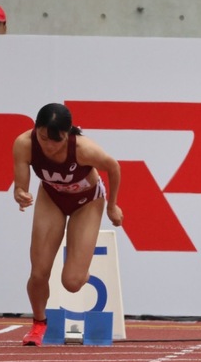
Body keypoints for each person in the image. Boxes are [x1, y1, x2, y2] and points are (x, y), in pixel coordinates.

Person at [13, 103, 123, 346]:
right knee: (38, 272)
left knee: (72, 283)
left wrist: (112, 206)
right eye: (43, 138)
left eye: (57, 140)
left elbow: (114, 167)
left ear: (68, 134)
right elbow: (20, 184)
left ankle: (81, 267)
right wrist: (20, 193)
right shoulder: (24, 143)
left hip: (87, 201)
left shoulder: (83, 149)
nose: (49, 146)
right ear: (36, 129)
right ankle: (39, 323)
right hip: (51, 198)